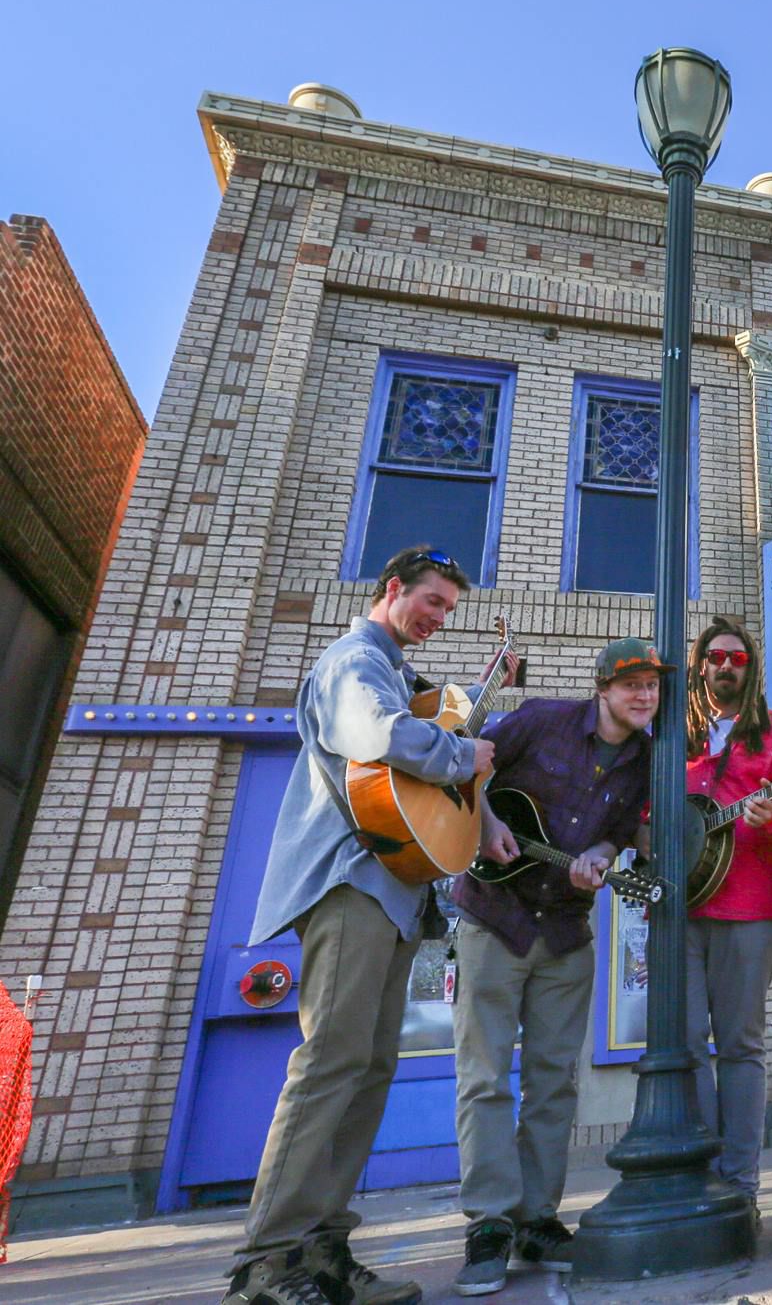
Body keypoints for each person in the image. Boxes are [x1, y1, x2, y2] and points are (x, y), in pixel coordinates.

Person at [226, 546, 491, 1305]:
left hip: (393, 891)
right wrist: (466, 752)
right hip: (351, 885)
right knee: (331, 1062)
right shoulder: (353, 659)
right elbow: (378, 738)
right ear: (391, 589)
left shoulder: (402, 677)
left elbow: (413, 768)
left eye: (447, 609)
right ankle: (265, 1266)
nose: (438, 619)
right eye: (431, 601)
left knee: (368, 1070)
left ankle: (324, 1251)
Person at [444, 638, 665, 1296]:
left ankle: (537, 1215)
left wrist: (596, 857)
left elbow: (619, 832)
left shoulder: (645, 760)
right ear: (602, 686)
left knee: (553, 1081)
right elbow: (466, 768)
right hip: (494, 915)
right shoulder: (540, 718)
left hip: (567, 931)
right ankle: (488, 1221)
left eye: (651, 685)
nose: (644, 695)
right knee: (484, 1075)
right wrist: (484, 823)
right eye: (631, 684)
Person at [683, 617, 772, 1228]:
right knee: (681, 1045)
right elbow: (651, 810)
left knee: (739, 1045)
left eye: (737, 656)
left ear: (750, 666)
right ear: (701, 665)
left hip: (748, 905)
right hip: (679, 908)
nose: (726, 665)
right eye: (716, 656)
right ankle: (698, 1174)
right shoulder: (675, 733)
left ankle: (739, 1186)